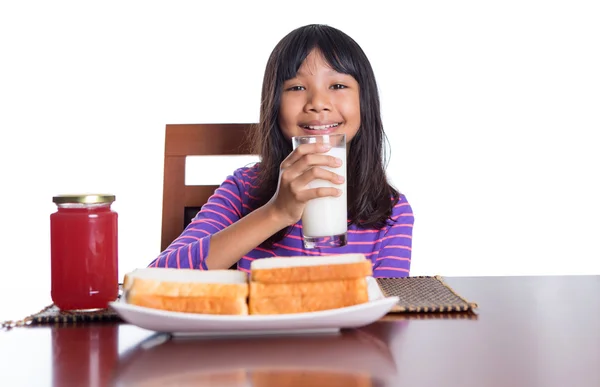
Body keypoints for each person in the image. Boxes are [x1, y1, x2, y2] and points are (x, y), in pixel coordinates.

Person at [148, 24, 414, 278]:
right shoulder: (243, 190)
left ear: (365, 100)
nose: (318, 103)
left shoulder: (392, 213)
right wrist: (276, 212)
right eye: (297, 88)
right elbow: (159, 278)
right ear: (274, 104)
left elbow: (387, 314)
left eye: (338, 85)